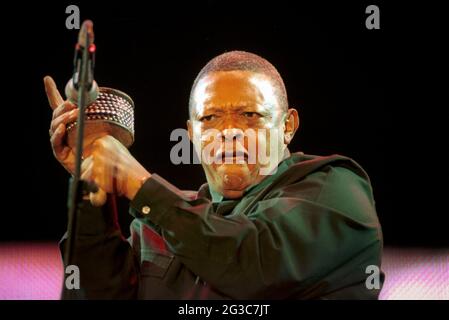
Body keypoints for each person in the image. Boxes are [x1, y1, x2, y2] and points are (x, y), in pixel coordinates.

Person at [45, 51, 384, 299]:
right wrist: (90, 182)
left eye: (250, 114)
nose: (230, 132)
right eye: (210, 119)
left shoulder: (336, 189)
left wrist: (137, 181)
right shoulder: (152, 228)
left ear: (288, 126)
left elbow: (250, 265)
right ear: (191, 134)